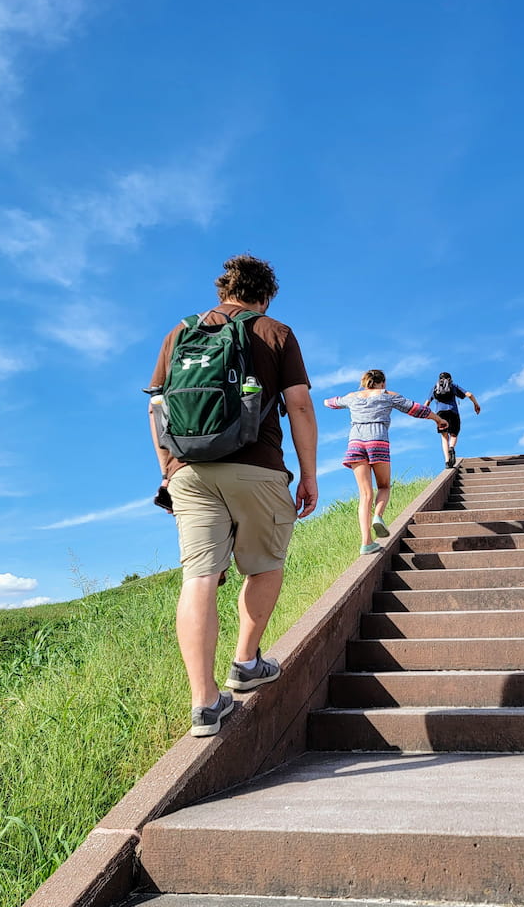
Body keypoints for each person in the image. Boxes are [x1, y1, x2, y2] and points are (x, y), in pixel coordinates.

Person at [147, 254, 318, 737]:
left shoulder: (179, 332)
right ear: (265, 295)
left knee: (199, 577)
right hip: (257, 466)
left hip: (188, 470)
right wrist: (308, 475)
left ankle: (204, 704)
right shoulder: (275, 332)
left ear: (225, 290)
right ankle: (245, 662)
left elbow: (156, 410)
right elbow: (299, 405)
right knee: (265, 564)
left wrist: (167, 471)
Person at [324, 370, 447, 555]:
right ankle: (378, 517)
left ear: (365, 383)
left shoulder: (352, 397)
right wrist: (438, 419)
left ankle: (366, 542)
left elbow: (331, 403)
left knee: (365, 495)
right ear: (383, 383)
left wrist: (330, 400)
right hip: (377, 441)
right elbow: (416, 409)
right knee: (383, 487)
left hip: (355, 444)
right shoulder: (388, 395)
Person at [424, 371, 481, 468]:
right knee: (453, 435)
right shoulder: (453, 386)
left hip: (440, 415)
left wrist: (426, 415)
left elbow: (426, 404)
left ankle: (447, 461)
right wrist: (476, 404)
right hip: (453, 412)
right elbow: (469, 394)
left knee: (444, 437)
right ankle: (451, 448)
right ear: (450, 379)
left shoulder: (435, 388)